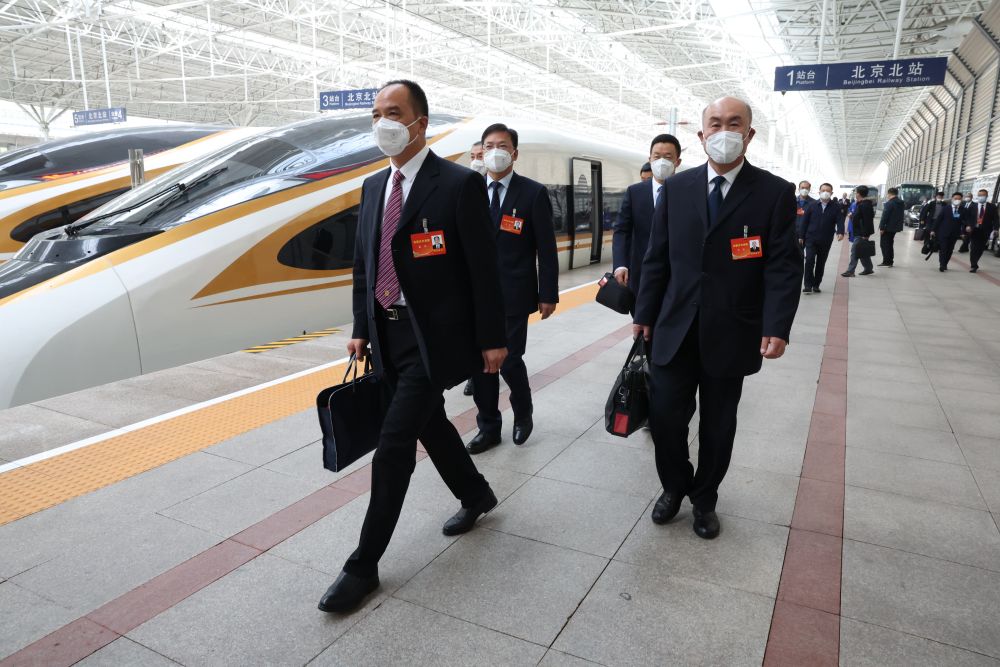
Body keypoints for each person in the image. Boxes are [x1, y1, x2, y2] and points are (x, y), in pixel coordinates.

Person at [319, 80, 508, 614]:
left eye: (394, 112)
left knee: (395, 443)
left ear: (420, 123)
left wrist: (493, 338)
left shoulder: (458, 184)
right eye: (376, 114)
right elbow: (365, 264)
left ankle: (363, 566)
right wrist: (361, 325)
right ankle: (475, 494)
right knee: (431, 425)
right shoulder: (373, 186)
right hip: (387, 334)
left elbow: (483, 270)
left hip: (434, 339)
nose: (383, 123)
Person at [633, 96, 801, 539]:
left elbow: (783, 265)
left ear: (749, 134)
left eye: (734, 124)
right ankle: (675, 486)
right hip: (674, 327)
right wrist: (644, 313)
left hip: (733, 330)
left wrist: (776, 326)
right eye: (715, 124)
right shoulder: (676, 188)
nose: (723, 132)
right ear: (701, 133)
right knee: (665, 418)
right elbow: (656, 258)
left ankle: (705, 499)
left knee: (719, 425)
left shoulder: (774, 192)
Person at [465, 123, 558, 453]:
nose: (495, 152)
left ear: (514, 153)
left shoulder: (532, 193)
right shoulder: (468, 190)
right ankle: (489, 427)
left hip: (514, 293)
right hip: (474, 296)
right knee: (480, 365)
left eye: (502, 146)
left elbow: (546, 248)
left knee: (509, 360)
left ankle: (523, 411)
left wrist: (548, 293)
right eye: (488, 146)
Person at [612, 133, 683, 307]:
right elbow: (622, 230)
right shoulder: (634, 192)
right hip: (639, 276)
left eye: (668, 157)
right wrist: (620, 265)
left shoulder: (688, 192)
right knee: (641, 322)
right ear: (650, 159)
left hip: (677, 279)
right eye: (657, 156)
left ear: (677, 162)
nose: (661, 161)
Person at [799, 182, 844, 294]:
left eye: (828, 191)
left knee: (821, 263)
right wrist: (801, 236)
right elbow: (804, 222)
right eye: (823, 190)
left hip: (826, 239)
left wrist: (840, 232)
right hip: (811, 238)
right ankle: (807, 285)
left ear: (831, 193)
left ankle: (816, 285)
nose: (825, 192)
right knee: (809, 261)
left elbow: (840, 220)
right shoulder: (812, 205)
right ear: (819, 192)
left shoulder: (836, 207)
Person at [930, 192, 972, 272]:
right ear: (952, 199)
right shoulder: (946, 208)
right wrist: (933, 230)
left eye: (959, 199)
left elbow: (967, 220)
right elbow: (938, 219)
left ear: (961, 200)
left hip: (955, 233)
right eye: (955, 198)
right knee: (943, 249)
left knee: (950, 250)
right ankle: (942, 264)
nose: (957, 200)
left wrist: (968, 226)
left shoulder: (963, 210)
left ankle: (945, 263)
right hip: (943, 232)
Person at [841, 186, 875, 277]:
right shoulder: (861, 204)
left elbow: (867, 221)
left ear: (858, 194)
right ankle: (868, 269)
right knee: (862, 251)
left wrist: (866, 234)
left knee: (855, 251)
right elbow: (860, 217)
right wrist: (852, 216)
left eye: (856, 192)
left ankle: (850, 271)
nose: (855, 194)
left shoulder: (865, 205)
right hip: (859, 231)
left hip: (861, 233)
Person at [968, 189, 999, 273]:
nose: (981, 197)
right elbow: (968, 217)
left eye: (983, 195)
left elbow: (996, 219)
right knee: (973, 248)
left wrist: (996, 229)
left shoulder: (992, 207)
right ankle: (974, 265)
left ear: (986, 196)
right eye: (979, 195)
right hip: (974, 230)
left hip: (985, 230)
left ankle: (975, 261)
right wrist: (968, 225)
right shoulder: (973, 206)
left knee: (981, 248)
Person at [878, 187, 905, 267]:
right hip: (895, 227)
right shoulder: (901, 203)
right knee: (889, 244)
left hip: (887, 227)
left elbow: (885, 216)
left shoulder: (889, 203)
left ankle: (887, 261)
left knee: (884, 244)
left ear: (889, 194)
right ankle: (890, 261)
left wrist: (882, 228)